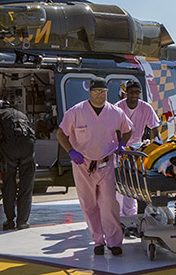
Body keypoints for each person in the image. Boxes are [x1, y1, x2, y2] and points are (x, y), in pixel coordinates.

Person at [57, 77, 133, 256]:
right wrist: (70, 151)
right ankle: (98, 240)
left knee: (109, 203)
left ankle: (115, 242)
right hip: (82, 163)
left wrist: (122, 144)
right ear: (90, 92)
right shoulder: (76, 111)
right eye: (96, 91)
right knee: (88, 204)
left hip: (106, 163)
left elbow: (128, 129)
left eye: (103, 91)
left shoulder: (116, 112)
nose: (100, 95)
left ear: (108, 92)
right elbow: (61, 133)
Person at [0, 100, 36, 230]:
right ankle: (23, 221)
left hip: (10, 149)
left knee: (9, 185)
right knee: (26, 186)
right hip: (28, 149)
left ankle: (9, 220)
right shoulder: (21, 114)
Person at [114, 80, 161, 217]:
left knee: (132, 182)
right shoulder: (118, 108)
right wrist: (119, 145)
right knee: (119, 183)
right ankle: (118, 217)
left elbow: (154, 128)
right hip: (119, 148)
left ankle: (131, 216)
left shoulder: (146, 108)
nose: (134, 95)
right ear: (125, 93)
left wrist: (156, 145)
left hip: (136, 149)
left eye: (137, 92)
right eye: (131, 92)